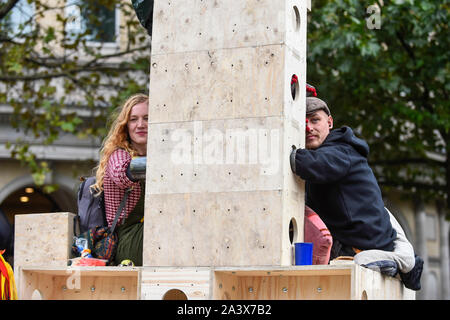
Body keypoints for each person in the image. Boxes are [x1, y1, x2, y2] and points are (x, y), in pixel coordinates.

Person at [290, 97, 423, 290]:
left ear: (330, 122)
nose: (308, 127)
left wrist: (282, 149)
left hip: (367, 245)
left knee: (355, 264)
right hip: (373, 235)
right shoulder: (328, 156)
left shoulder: (340, 151)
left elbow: (309, 163)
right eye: (302, 122)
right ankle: (403, 261)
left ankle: (395, 262)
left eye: (314, 120)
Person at [91, 93, 149, 266]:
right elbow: (121, 174)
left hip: (150, 234)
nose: (140, 125)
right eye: (133, 119)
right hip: (128, 240)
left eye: (147, 118)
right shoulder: (119, 154)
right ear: (126, 125)